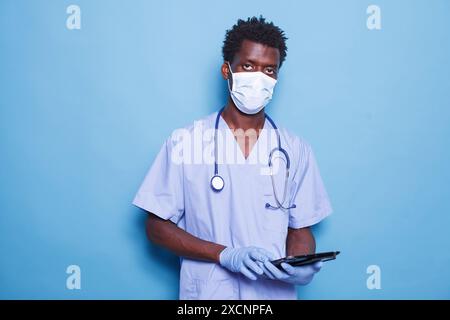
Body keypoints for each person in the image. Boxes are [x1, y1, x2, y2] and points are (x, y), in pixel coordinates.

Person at [132, 16, 332, 300]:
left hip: (271, 296)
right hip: (209, 296)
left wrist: (299, 263)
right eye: (248, 66)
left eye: (269, 70)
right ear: (227, 70)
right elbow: (156, 227)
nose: (258, 78)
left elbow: (301, 229)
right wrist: (224, 255)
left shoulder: (295, 149)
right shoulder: (185, 142)